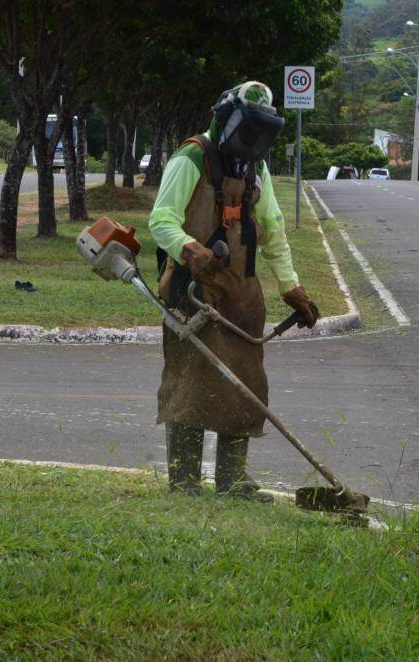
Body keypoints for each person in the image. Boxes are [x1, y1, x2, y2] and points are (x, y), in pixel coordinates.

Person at [148, 81, 320, 500]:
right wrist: (189, 249)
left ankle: (232, 480)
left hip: (242, 293)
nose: (253, 139)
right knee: (190, 383)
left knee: (245, 385)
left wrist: (291, 287)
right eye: (248, 128)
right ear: (227, 119)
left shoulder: (255, 168)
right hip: (191, 290)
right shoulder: (192, 158)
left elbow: (274, 232)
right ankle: (185, 481)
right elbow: (161, 219)